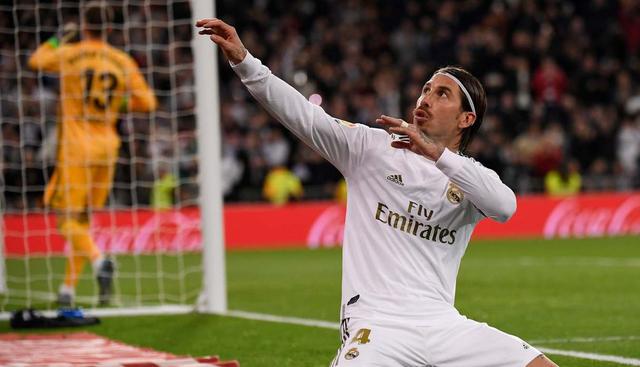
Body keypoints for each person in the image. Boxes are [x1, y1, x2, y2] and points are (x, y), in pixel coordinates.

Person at [196, 18, 558, 367]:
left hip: (444, 325)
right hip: (378, 324)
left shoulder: (469, 177)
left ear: (466, 119)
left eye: (442, 93)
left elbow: (505, 207)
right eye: (426, 89)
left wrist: (435, 154)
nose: (427, 97)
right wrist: (246, 63)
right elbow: (304, 117)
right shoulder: (371, 148)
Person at [29, 1, 157, 306]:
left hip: (76, 146)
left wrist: (61, 37)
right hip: (107, 147)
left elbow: (36, 60)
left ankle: (100, 262)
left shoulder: (71, 54)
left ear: (84, 26)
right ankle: (68, 289)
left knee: (66, 220)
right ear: (110, 28)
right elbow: (148, 103)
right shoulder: (121, 60)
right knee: (83, 222)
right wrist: (116, 106)